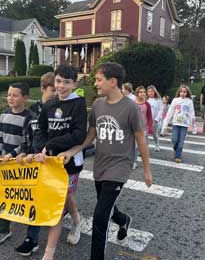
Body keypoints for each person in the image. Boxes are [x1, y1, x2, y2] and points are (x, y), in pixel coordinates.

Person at [58, 62, 153, 260]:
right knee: (106, 204)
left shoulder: (131, 108)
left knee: (100, 216)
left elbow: (140, 139)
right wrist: (72, 150)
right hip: (100, 166)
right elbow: (90, 136)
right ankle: (123, 219)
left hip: (119, 167)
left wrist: (146, 170)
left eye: (99, 80)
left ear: (113, 82)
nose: (95, 84)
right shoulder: (98, 105)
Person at [29, 65, 87, 260]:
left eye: (67, 82)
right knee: (65, 197)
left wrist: (52, 144)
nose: (62, 86)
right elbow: (41, 131)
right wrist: (40, 150)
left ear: (74, 84)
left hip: (70, 162)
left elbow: (79, 135)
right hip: (49, 161)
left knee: (59, 202)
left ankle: (49, 253)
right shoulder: (49, 105)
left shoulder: (78, 103)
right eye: (59, 81)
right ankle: (78, 220)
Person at [0, 83, 35, 246]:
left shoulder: (30, 117)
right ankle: (1, 230)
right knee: (5, 195)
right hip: (6, 164)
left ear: (25, 98)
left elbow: (28, 142)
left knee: (25, 196)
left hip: (22, 163)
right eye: (9, 95)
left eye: (15, 95)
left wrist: (11, 155)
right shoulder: (4, 114)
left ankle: (34, 230)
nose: (10, 98)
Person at [14, 72, 57, 256]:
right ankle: (32, 239)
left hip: (55, 165)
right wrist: (23, 152)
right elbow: (27, 138)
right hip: (35, 165)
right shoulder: (32, 112)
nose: (56, 93)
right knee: (35, 200)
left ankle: (75, 218)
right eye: (53, 89)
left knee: (63, 200)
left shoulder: (61, 110)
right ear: (43, 89)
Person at [161, 85, 197, 163]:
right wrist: (164, 126)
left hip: (184, 125)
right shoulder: (175, 100)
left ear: (187, 93)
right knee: (174, 140)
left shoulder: (189, 101)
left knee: (181, 142)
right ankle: (176, 149)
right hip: (176, 123)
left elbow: (192, 114)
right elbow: (170, 113)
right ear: (179, 92)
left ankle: (178, 156)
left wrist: (194, 127)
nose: (182, 93)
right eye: (181, 91)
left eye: (184, 92)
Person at [133, 86, 153, 169]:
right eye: (140, 92)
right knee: (134, 146)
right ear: (137, 93)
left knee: (142, 145)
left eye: (144, 92)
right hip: (134, 128)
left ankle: (139, 160)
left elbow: (149, 116)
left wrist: (150, 127)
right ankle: (133, 161)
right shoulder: (133, 103)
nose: (143, 93)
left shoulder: (147, 104)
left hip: (143, 129)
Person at [147, 85, 162, 152]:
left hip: (155, 121)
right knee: (145, 135)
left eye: (152, 91)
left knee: (154, 134)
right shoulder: (146, 100)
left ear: (155, 92)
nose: (150, 93)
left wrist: (157, 119)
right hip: (146, 121)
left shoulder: (158, 100)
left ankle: (157, 144)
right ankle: (145, 148)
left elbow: (161, 110)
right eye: (149, 91)